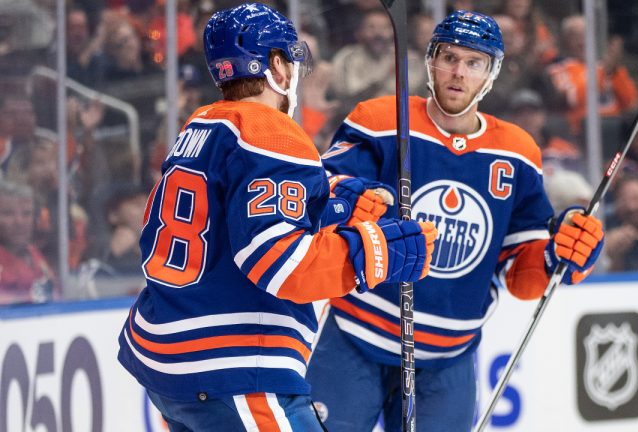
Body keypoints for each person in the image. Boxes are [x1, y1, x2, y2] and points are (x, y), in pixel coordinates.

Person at [116, 4, 436, 431]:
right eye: (291, 60)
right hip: (233, 362)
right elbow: (279, 263)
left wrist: (331, 199)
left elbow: (228, 214)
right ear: (277, 67)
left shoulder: (201, 125)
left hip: (169, 357)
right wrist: (381, 250)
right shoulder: (272, 132)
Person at [307, 11, 605, 431]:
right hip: (355, 337)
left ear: (492, 73)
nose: (458, 73)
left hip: (449, 359)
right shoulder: (379, 121)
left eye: (474, 63)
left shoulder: (517, 154)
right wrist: (343, 200)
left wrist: (562, 253)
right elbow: (319, 200)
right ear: (429, 61)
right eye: (448, 57)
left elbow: (523, 273)